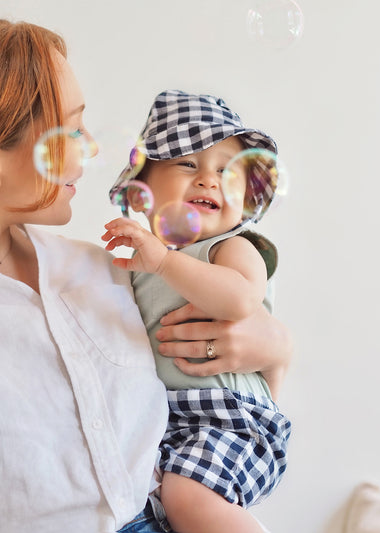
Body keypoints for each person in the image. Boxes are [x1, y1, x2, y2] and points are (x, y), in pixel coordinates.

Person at [0, 21, 292, 533]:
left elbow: (236, 350)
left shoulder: (107, 268)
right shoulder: (139, 269)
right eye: (70, 128)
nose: (90, 147)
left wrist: (278, 349)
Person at [102, 90, 291, 533]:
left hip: (230, 414)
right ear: (141, 188)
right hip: (171, 418)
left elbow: (241, 300)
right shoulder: (141, 264)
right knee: (162, 506)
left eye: (227, 172)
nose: (209, 180)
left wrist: (166, 262)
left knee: (187, 497)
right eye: (188, 164)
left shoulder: (231, 247)